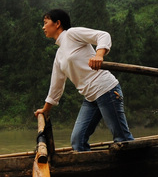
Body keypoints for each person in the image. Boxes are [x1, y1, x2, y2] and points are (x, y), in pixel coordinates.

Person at [34, 8, 133, 151]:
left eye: (45, 22)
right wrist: (45, 110)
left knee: (122, 139)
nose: (43, 27)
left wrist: (99, 55)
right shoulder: (59, 54)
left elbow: (103, 35)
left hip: (106, 90)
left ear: (57, 24)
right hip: (90, 98)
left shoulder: (72, 34)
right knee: (77, 141)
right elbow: (56, 86)